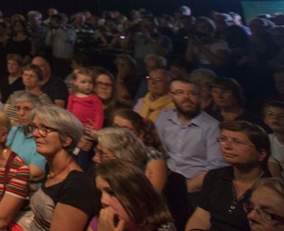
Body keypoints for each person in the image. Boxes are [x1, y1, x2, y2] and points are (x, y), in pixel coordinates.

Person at [155, 77, 229, 231]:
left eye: (192, 93)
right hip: (167, 182)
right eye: (180, 92)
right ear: (171, 96)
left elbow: (214, 168)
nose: (187, 97)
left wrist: (182, 189)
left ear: (199, 96)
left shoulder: (212, 126)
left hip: (195, 187)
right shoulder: (163, 118)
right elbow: (157, 152)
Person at [186, 120, 273, 231]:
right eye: (223, 139)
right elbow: (200, 218)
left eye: (237, 142)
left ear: (261, 154)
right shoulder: (215, 176)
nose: (226, 146)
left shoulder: (270, 190)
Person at [27, 105, 99, 231]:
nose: (35, 134)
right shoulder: (50, 168)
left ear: (66, 140)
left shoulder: (77, 186)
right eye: (35, 127)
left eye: (44, 128)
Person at [95, 160, 175, 231]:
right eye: (100, 193)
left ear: (136, 194)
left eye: (111, 193)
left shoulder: (163, 228)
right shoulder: (104, 224)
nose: (103, 201)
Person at [111, 108, 168, 192]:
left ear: (140, 135)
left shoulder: (152, 155)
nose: (119, 133)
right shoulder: (108, 151)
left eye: (126, 130)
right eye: (115, 128)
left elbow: (153, 194)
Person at [6, 94, 47, 182]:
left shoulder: (44, 137)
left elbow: (33, 173)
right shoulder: (14, 130)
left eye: (27, 109)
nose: (21, 113)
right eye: (18, 108)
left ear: (38, 112)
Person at [65, 67, 104, 131]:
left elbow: (99, 115)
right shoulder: (72, 97)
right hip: (74, 127)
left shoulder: (94, 98)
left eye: (90, 82)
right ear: (75, 82)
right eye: (83, 82)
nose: (87, 85)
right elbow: (69, 111)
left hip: (88, 128)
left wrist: (96, 128)